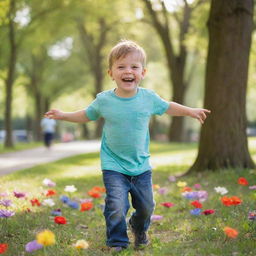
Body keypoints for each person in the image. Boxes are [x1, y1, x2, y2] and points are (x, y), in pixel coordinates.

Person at [44, 40, 210, 252]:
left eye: (134, 67)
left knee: (147, 207)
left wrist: (190, 111)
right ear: (111, 73)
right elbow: (86, 115)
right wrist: (64, 115)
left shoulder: (148, 98)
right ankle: (117, 241)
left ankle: (138, 228)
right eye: (121, 67)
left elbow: (168, 107)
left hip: (141, 166)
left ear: (143, 72)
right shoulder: (104, 100)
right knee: (116, 206)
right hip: (113, 165)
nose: (128, 71)